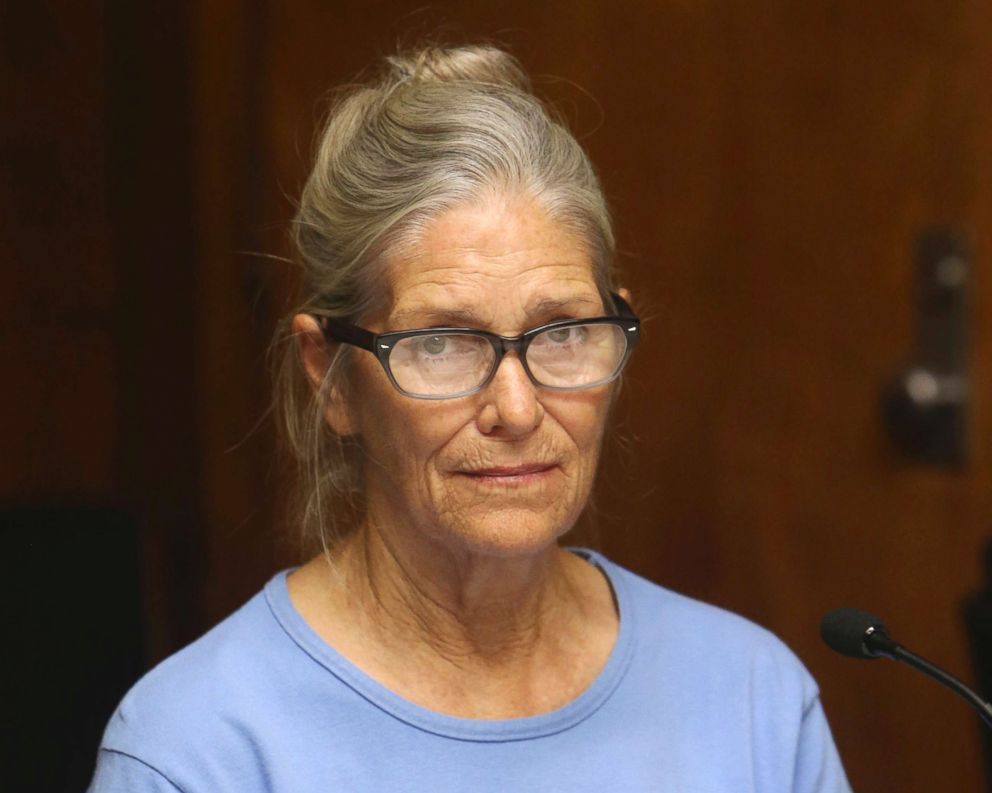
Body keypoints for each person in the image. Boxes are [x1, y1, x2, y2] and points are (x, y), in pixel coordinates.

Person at [89, 44, 853, 792]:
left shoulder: (755, 704)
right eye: (443, 343)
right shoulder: (197, 749)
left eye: (561, 332)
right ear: (334, 373)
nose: (517, 409)